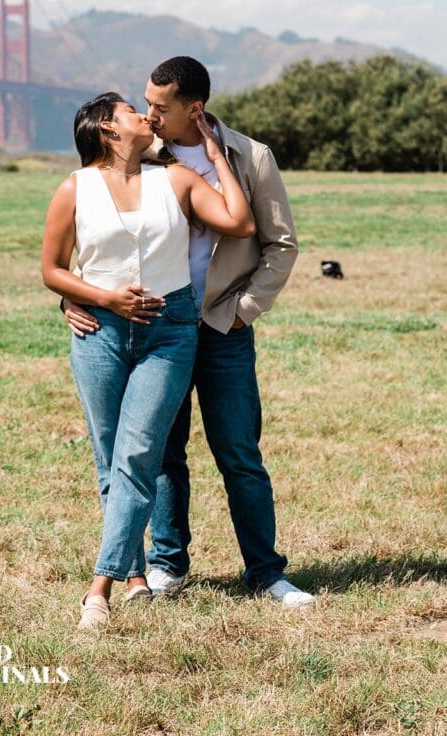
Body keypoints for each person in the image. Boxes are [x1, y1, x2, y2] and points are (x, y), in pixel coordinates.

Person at [63, 58, 314, 607]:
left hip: (222, 327)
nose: (148, 114)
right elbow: (104, 232)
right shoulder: (145, 155)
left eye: (159, 106)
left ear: (193, 108)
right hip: (156, 326)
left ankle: (267, 573)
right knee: (159, 454)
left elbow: (279, 243)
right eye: (144, 104)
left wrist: (242, 310)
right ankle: (167, 565)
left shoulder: (252, 157)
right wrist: (73, 294)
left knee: (239, 452)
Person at [41, 92, 255, 629]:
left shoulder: (178, 179)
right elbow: (51, 269)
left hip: (169, 334)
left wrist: (216, 153)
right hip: (100, 332)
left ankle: (99, 589)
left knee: (137, 454)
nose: (146, 117)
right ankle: (136, 577)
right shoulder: (74, 188)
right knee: (110, 458)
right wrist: (99, 298)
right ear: (109, 132)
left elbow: (240, 222)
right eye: (131, 113)